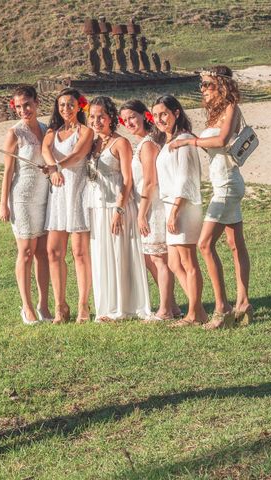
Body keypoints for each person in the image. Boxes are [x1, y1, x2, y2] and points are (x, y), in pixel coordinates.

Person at [170, 66, 252, 328]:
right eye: (202, 85)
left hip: (228, 184)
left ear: (222, 85)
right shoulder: (215, 112)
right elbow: (215, 144)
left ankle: (222, 308)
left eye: (208, 84)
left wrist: (188, 143)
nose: (203, 89)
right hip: (222, 183)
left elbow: (222, 140)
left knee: (205, 245)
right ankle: (244, 302)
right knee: (235, 243)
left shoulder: (231, 108)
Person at [87, 96, 151, 322]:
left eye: (101, 116)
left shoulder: (120, 143)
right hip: (97, 207)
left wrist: (119, 209)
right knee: (102, 255)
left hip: (117, 206)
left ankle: (124, 306)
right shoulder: (93, 143)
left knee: (118, 254)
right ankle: (106, 305)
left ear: (111, 117)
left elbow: (127, 179)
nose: (96, 121)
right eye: (92, 117)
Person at [120, 100, 182, 321]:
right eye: (124, 120)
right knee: (150, 258)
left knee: (158, 259)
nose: (128, 123)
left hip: (152, 206)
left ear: (144, 116)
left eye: (132, 118)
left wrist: (141, 213)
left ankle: (165, 309)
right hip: (146, 205)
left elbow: (149, 182)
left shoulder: (147, 144)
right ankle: (172, 306)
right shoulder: (144, 143)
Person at [152, 95, 208, 327]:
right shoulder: (168, 141)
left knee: (188, 261)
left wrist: (175, 211)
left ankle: (194, 314)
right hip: (171, 206)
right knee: (175, 263)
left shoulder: (183, 140)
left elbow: (185, 179)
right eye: (155, 115)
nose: (159, 119)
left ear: (176, 113)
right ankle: (199, 310)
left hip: (182, 206)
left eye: (163, 114)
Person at [0, 85, 52, 325]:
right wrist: (3, 203)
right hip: (21, 196)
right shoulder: (14, 133)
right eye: (18, 106)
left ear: (36, 102)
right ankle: (27, 307)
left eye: (27, 104)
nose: (23, 110)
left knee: (43, 252)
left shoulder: (45, 129)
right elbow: (8, 171)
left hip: (44, 195)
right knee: (26, 252)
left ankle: (43, 305)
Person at [42, 88, 94, 324]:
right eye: (62, 105)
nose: (66, 109)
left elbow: (77, 155)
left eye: (70, 104)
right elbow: (45, 149)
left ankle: (84, 305)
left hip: (77, 192)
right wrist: (52, 167)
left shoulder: (86, 131)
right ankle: (60, 305)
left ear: (79, 106)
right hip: (58, 194)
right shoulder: (53, 131)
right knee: (54, 252)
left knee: (80, 253)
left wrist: (56, 167)